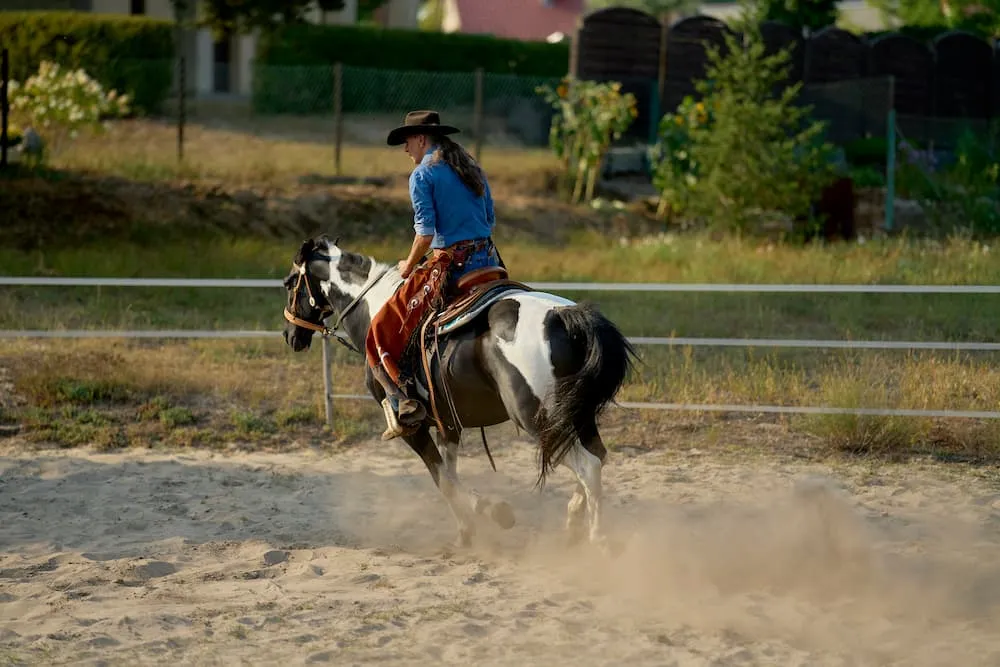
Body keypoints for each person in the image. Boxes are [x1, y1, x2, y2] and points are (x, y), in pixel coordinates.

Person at [364, 110, 504, 441]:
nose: (405, 149)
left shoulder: (422, 175)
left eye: (407, 141)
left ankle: (403, 401)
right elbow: (490, 217)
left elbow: (425, 234)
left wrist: (408, 266)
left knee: (382, 329)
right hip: (489, 260)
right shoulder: (470, 166)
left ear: (422, 139)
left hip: (453, 264)